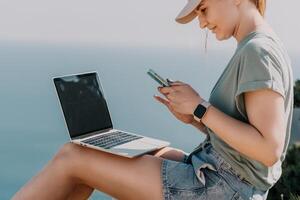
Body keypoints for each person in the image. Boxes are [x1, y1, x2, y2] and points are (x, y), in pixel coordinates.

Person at [13, 0, 294, 199]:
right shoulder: (258, 46)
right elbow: (246, 139)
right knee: (121, 154)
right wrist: (195, 118)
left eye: (203, 8)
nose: (202, 22)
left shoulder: (258, 52)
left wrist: (201, 108)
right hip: (221, 176)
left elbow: (268, 150)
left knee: (73, 157)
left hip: (222, 188)